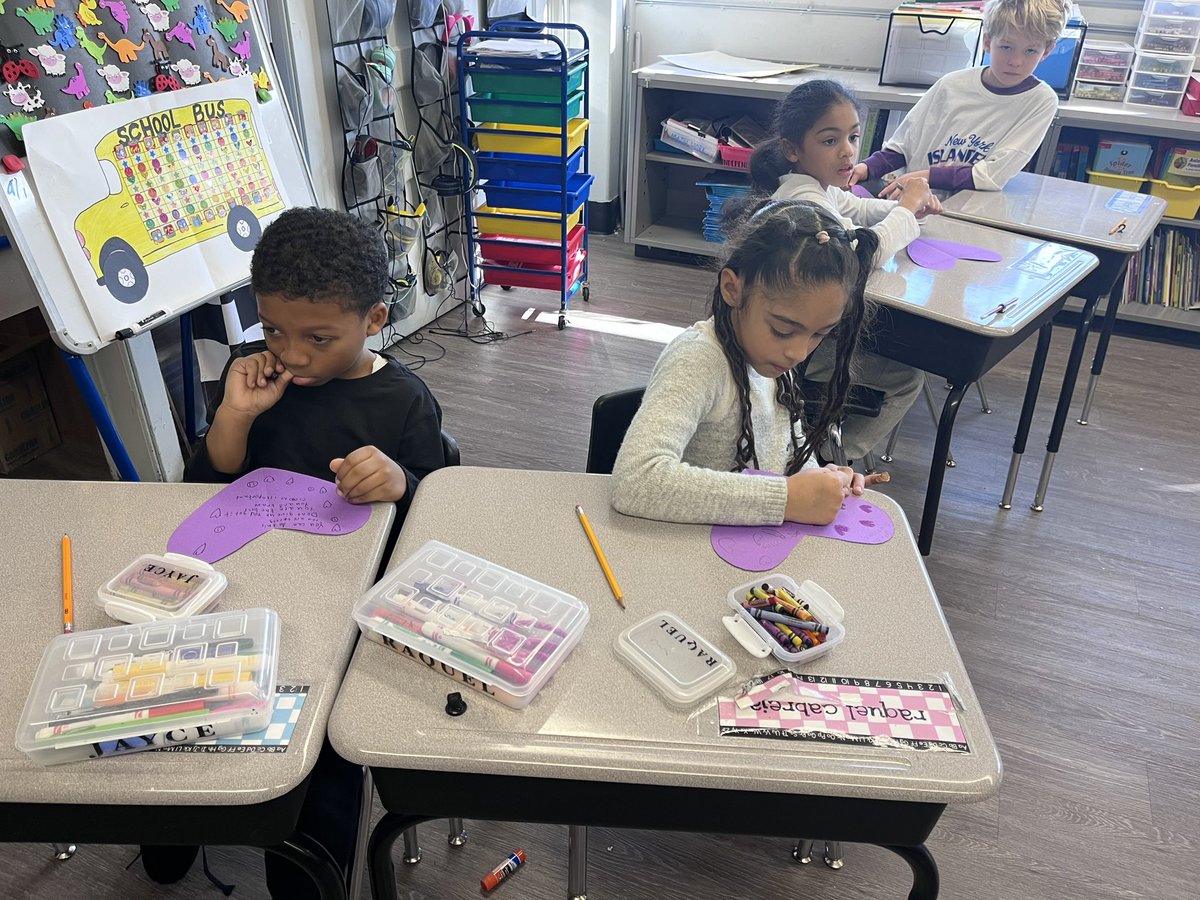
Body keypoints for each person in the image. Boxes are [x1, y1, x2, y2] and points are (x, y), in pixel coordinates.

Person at [142, 207, 447, 898]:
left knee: (319, 751)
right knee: (179, 705)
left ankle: (307, 866)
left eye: (318, 337)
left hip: (337, 611)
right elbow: (203, 489)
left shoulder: (402, 401)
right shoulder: (255, 377)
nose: (293, 353)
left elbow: (436, 509)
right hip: (239, 587)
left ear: (373, 320)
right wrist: (234, 418)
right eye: (273, 328)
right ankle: (169, 821)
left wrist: (401, 483)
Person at [610, 199, 890, 527]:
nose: (799, 353)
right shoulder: (698, 360)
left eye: (819, 334)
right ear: (733, 289)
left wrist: (821, 482)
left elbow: (788, 452)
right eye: (784, 329)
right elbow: (635, 481)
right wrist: (787, 498)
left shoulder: (771, 357)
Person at [749, 79, 938, 463]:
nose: (848, 152)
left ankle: (822, 454)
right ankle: (831, 459)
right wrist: (905, 212)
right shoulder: (804, 200)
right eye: (830, 140)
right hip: (797, 344)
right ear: (792, 149)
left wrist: (908, 205)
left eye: (853, 137)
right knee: (908, 378)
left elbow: (859, 211)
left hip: (808, 330)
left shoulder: (817, 187)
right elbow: (858, 258)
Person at [851, 0, 1066, 195]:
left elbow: (992, 174)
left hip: (967, 212)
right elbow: (904, 146)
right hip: (909, 201)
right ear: (988, 41)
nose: (1016, 61)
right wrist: (868, 167)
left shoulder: (1040, 101)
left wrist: (926, 176)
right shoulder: (951, 85)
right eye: (1006, 47)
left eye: (1030, 51)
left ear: (1046, 51)